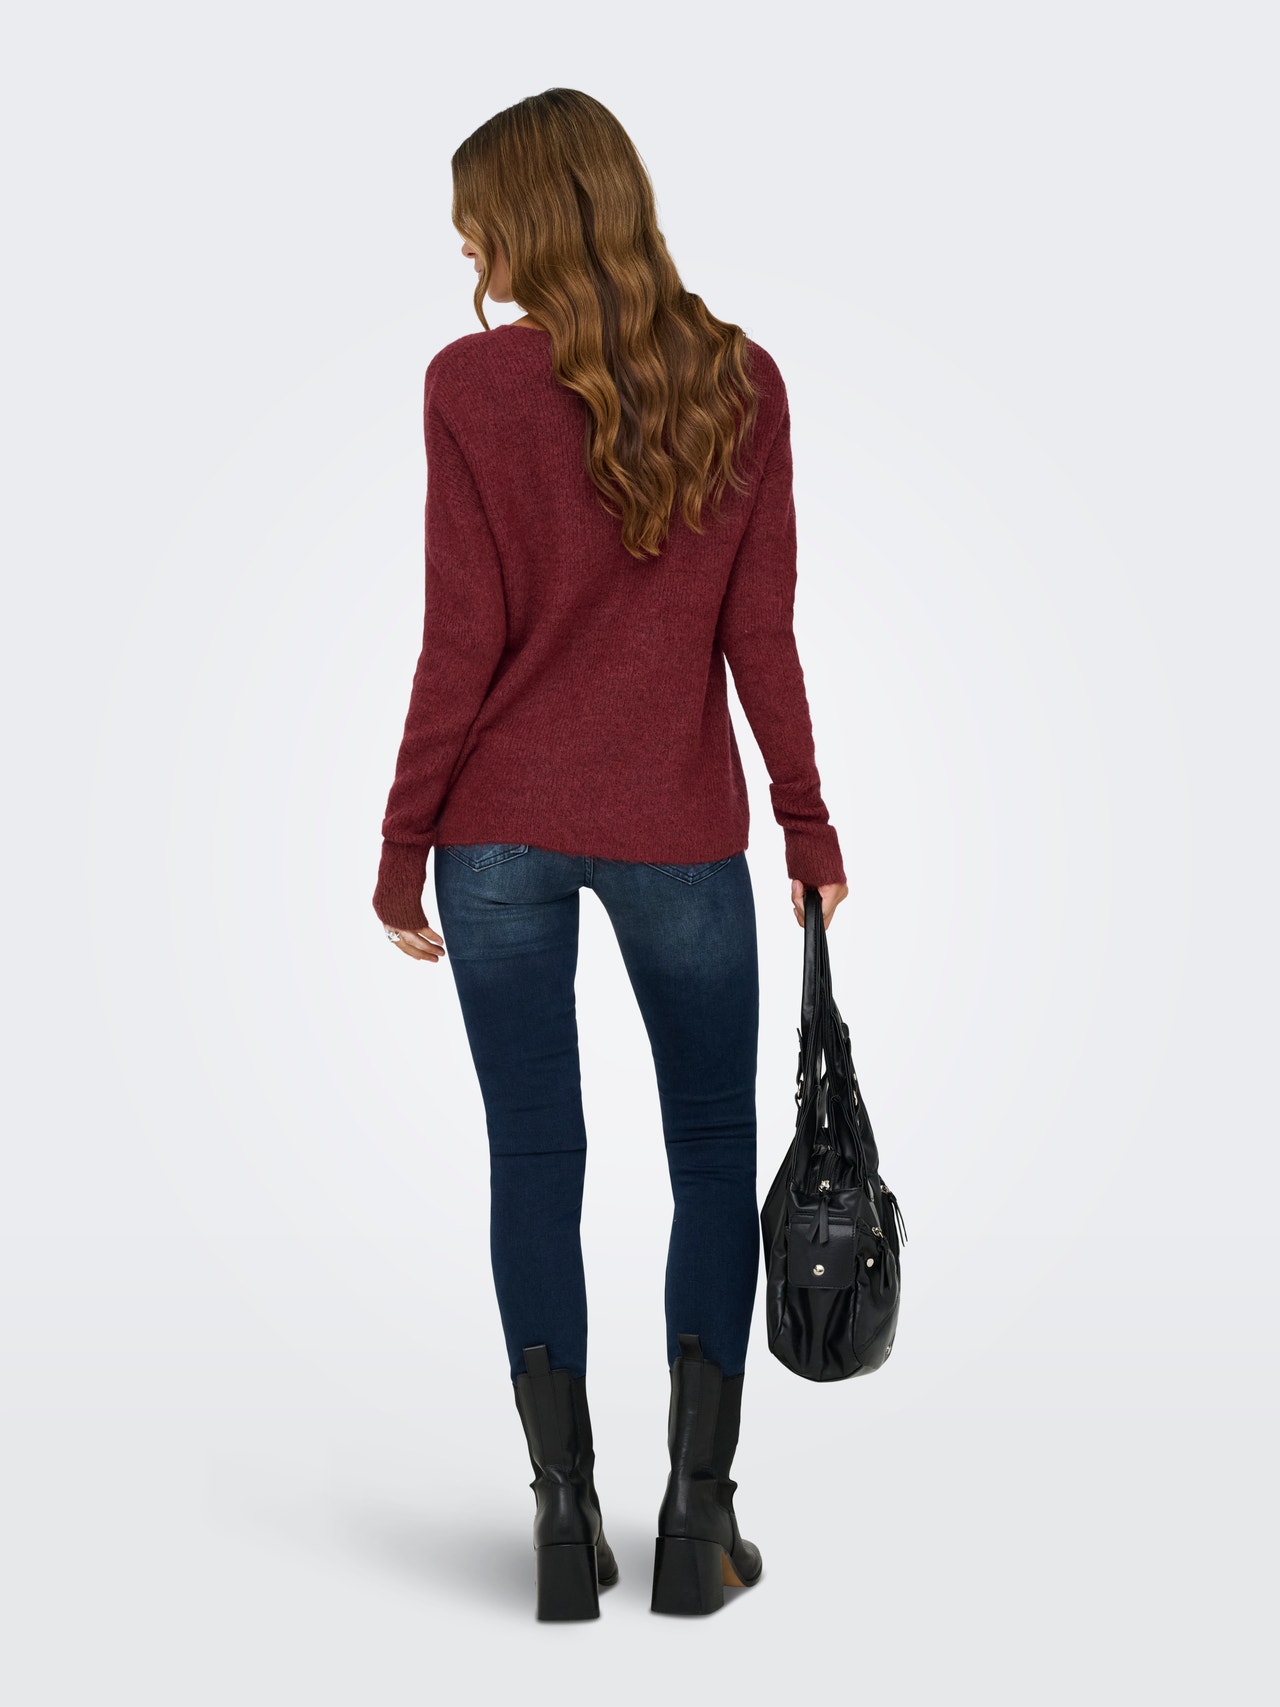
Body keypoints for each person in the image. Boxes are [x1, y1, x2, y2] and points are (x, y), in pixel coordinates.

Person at [371, 87, 848, 1621]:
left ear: (533, 215)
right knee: (709, 1152)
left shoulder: (468, 387)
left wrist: (402, 847)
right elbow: (760, 636)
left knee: (535, 1156)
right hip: (678, 830)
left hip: (495, 834)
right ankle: (698, 1530)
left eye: (478, 220)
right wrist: (806, 825)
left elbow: (460, 640)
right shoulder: (740, 381)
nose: (465, 249)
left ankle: (565, 1525)